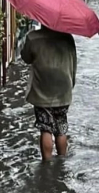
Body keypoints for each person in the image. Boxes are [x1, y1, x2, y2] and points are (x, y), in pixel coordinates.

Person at [21, 25, 77, 162]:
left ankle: (47, 164)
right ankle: (62, 161)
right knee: (61, 127)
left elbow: (26, 57)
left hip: (42, 90)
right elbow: (73, 63)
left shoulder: (33, 38)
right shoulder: (67, 37)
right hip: (63, 90)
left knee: (46, 128)